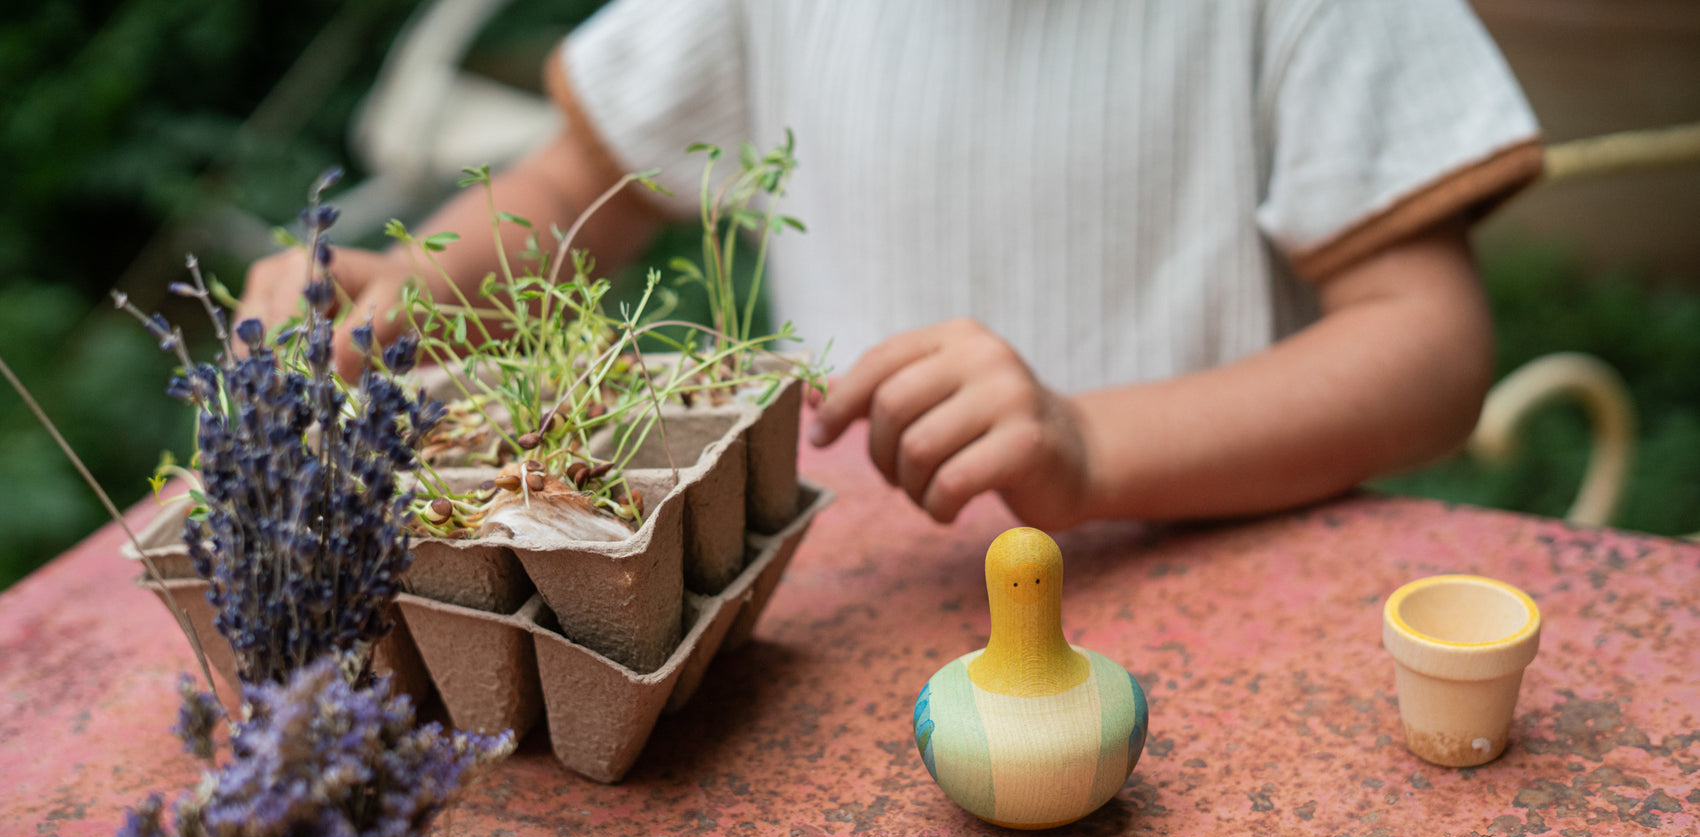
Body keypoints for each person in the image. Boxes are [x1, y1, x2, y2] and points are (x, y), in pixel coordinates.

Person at [240, 0, 1542, 531]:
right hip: (849, 609)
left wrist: (1088, 447)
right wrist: (398, 292)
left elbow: (1425, 346)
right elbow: (582, 183)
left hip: (1212, 577)